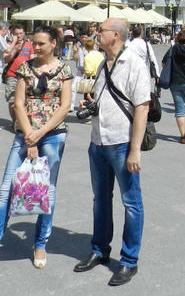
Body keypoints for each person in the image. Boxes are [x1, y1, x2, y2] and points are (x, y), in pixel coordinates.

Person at [0, 26, 72, 276]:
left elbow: (65, 105)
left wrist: (41, 132)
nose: (35, 47)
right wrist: (30, 138)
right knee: (5, 192)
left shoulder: (65, 69)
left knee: (47, 191)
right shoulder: (25, 67)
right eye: (34, 43)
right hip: (25, 135)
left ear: (53, 44)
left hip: (53, 135)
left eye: (41, 44)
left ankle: (40, 244)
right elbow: (18, 103)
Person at [73, 18, 150, 287]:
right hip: (98, 141)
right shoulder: (105, 63)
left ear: (115, 35)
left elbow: (142, 106)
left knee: (131, 203)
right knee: (100, 199)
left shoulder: (134, 63)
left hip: (121, 142)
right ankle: (100, 250)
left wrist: (135, 150)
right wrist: (92, 102)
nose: (96, 34)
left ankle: (129, 261)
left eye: (100, 31)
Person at [3, 23, 33, 131]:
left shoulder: (29, 45)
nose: (19, 36)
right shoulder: (8, 44)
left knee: (24, 101)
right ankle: (15, 121)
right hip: (12, 75)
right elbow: (6, 59)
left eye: (21, 33)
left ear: (24, 33)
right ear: (12, 34)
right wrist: (15, 48)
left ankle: (20, 122)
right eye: (16, 34)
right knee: (12, 101)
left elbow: (33, 58)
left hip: (26, 76)